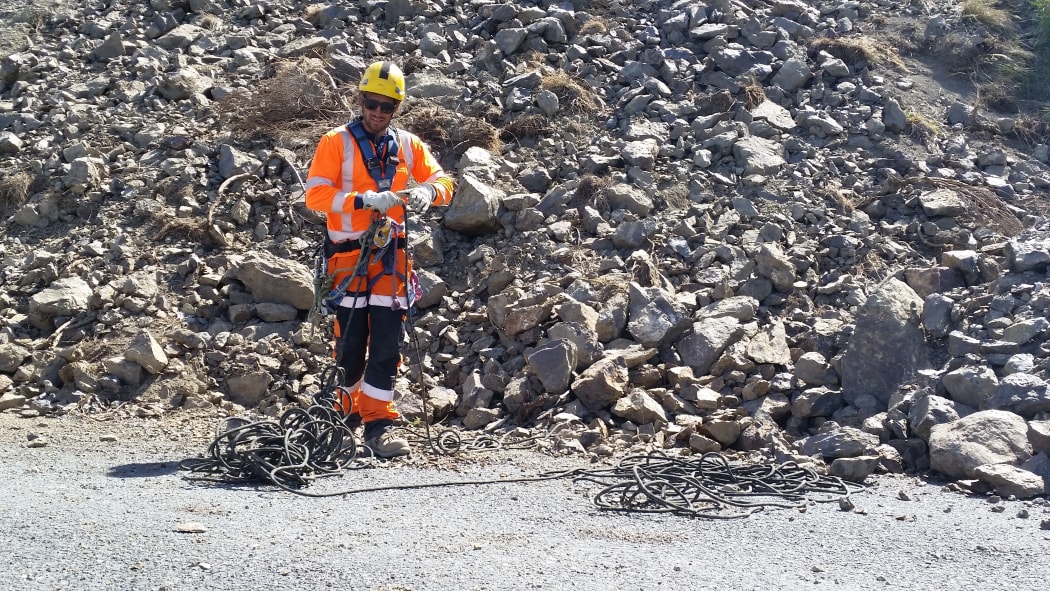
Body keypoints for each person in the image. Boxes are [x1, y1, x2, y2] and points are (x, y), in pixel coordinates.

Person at [305, 61, 454, 457]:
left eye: (387, 107)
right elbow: (315, 195)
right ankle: (344, 416)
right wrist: (362, 199)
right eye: (372, 103)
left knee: (387, 340)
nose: (378, 112)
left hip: (391, 258)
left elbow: (445, 183)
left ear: (396, 110)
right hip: (348, 258)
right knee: (351, 341)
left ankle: (378, 423)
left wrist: (430, 192)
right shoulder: (335, 142)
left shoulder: (408, 145)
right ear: (361, 99)